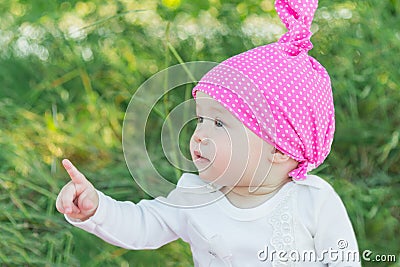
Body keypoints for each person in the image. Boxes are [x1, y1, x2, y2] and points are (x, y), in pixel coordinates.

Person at [56, 0, 360, 266]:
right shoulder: (194, 196)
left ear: (281, 147)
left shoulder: (314, 202)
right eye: (200, 119)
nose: (199, 134)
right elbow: (143, 225)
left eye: (219, 124)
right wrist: (96, 208)